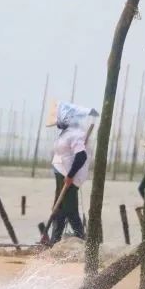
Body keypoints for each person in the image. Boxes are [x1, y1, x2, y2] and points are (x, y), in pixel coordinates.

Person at [46, 101, 97, 244]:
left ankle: (80, 240)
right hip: (61, 175)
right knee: (60, 209)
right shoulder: (66, 133)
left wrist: (70, 176)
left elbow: (81, 156)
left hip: (69, 177)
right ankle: (54, 242)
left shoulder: (76, 134)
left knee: (68, 210)